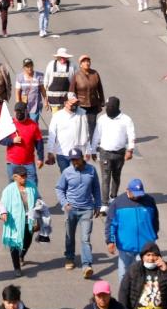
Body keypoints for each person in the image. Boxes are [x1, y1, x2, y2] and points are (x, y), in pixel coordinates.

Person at [56, 148, 101, 278]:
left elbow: (96, 188)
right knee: (70, 235)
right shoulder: (67, 172)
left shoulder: (91, 170)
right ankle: (69, 258)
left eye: (76, 159)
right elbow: (59, 188)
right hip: (71, 210)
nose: (74, 162)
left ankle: (87, 265)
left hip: (87, 209)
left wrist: (98, 204)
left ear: (82, 158)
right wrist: (65, 203)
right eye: (72, 160)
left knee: (85, 238)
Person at [106, 178, 159, 283]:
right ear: (127, 190)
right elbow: (111, 224)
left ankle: (141, 296)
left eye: (139, 193)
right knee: (124, 274)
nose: (138, 196)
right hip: (126, 247)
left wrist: (154, 235)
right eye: (135, 193)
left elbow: (155, 220)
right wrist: (110, 241)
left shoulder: (149, 201)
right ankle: (124, 296)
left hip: (146, 247)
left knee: (144, 274)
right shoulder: (117, 203)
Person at [91, 96, 136, 207]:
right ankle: (104, 203)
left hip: (119, 153)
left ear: (116, 107)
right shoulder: (102, 119)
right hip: (104, 152)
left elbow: (131, 135)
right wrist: (92, 150)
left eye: (110, 107)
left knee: (116, 176)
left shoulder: (126, 119)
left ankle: (113, 197)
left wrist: (130, 150)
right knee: (105, 178)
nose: (108, 109)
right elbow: (96, 135)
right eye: (107, 107)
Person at [0, 166, 39, 278]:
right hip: (14, 221)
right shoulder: (8, 190)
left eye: (25, 175)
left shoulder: (31, 186)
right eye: (22, 176)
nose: (24, 178)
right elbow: (2, 204)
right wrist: (3, 213)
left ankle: (22, 255)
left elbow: (37, 198)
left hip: (29, 219)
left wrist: (39, 209)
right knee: (14, 244)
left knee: (27, 240)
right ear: (15, 177)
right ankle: (17, 267)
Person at [69, 55, 105, 137]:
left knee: (92, 125)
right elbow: (71, 91)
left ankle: (92, 144)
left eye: (88, 61)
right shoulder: (76, 75)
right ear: (80, 64)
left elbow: (100, 88)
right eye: (84, 61)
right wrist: (73, 102)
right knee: (81, 125)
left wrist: (102, 101)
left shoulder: (95, 74)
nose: (87, 63)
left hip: (93, 104)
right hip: (80, 105)